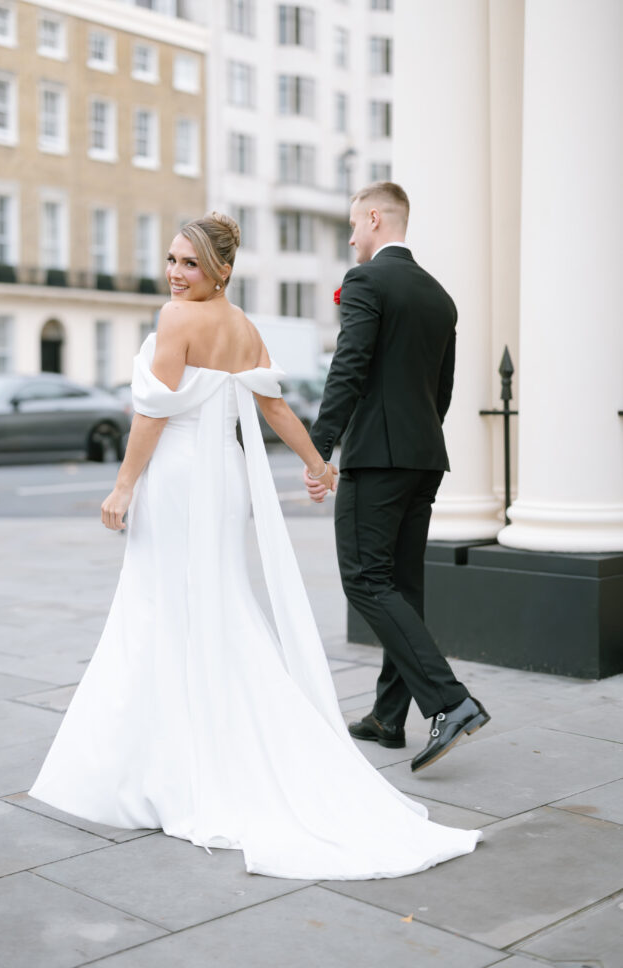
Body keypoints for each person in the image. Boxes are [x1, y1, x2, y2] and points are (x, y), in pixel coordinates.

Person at [29, 212, 482, 880]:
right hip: (222, 483)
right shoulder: (244, 329)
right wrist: (317, 463)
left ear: (220, 269)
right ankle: (199, 746)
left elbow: (152, 413)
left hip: (180, 481)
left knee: (163, 608)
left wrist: (124, 487)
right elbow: (274, 408)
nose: (176, 274)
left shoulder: (175, 320)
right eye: (172, 261)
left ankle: (164, 762)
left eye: (189, 262)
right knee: (209, 607)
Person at [305, 183, 490, 773]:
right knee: (403, 587)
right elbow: (442, 390)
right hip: (423, 456)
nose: (352, 236)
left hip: (378, 458)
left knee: (365, 579)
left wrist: (319, 449)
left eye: (354, 225)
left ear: (376, 217)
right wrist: (414, 437)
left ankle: (452, 702)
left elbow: (350, 365)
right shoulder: (439, 295)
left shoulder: (366, 281)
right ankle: (389, 717)